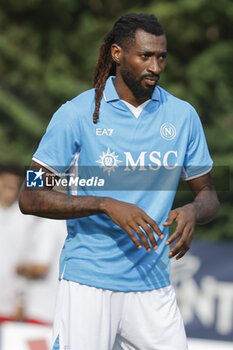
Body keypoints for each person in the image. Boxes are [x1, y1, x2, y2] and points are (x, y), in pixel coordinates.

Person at [19, 13, 219, 350]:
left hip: (152, 284)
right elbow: (30, 195)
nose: (155, 66)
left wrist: (192, 212)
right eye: (145, 56)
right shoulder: (77, 114)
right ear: (117, 54)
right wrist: (104, 203)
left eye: (161, 56)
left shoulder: (182, 116)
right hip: (89, 282)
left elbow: (209, 195)